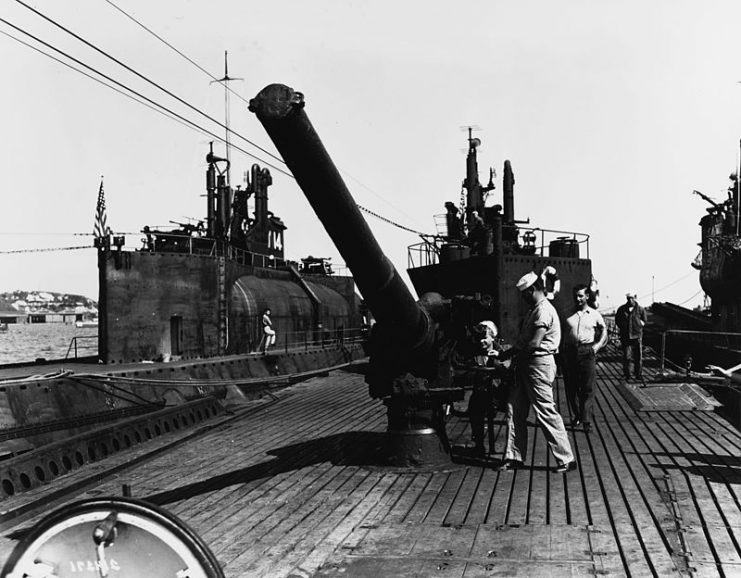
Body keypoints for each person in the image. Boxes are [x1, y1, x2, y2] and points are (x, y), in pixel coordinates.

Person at [499, 271, 576, 473]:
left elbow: (534, 343)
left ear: (532, 290)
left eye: (525, 295)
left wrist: (512, 360)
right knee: (514, 409)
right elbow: (524, 343)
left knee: (545, 410)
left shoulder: (543, 311)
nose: (523, 300)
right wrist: (503, 354)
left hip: (539, 364)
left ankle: (566, 458)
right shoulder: (535, 310)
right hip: (526, 363)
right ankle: (514, 456)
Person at [562, 283, 608, 433]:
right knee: (571, 388)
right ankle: (578, 415)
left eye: (581, 295)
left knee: (588, 388)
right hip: (570, 352)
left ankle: (586, 420)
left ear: (587, 296)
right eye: (575, 296)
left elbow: (604, 330)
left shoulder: (594, 314)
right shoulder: (567, 313)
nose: (578, 298)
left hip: (587, 352)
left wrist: (598, 345)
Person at [615, 292, 647, 381]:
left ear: (635, 298)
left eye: (632, 298)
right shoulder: (621, 309)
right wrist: (623, 327)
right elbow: (617, 320)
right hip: (626, 336)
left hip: (637, 336)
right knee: (627, 357)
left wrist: (640, 325)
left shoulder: (640, 309)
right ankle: (627, 374)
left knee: (638, 357)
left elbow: (644, 320)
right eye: (628, 298)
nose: (630, 300)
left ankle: (638, 374)